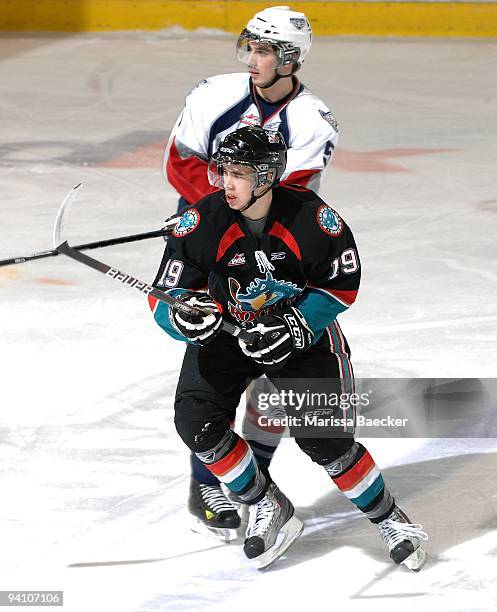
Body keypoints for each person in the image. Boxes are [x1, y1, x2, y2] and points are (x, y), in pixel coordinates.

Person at [150, 126, 428, 569]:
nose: (226, 182)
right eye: (223, 171)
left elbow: (340, 285)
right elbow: (164, 297)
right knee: (196, 421)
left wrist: (298, 324)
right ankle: (267, 502)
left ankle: (389, 517)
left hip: (301, 338)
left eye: (239, 173)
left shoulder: (311, 219)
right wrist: (183, 316)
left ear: (267, 177)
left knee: (326, 440)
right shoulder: (202, 222)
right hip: (229, 332)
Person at [164, 5, 340, 538]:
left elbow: (289, 195)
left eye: (265, 51)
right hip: (208, 247)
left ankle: (253, 472)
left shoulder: (313, 120)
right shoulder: (212, 94)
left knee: (275, 360)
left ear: (290, 59)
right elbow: (181, 163)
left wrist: (237, 224)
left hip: (273, 252)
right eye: (251, 47)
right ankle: (209, 482)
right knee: (213, 360)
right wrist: (214, 222)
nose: (253, 59)